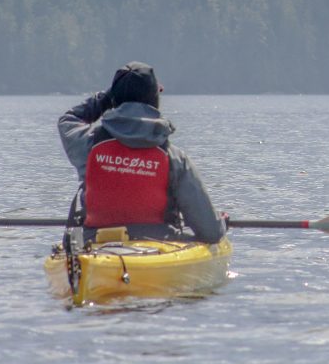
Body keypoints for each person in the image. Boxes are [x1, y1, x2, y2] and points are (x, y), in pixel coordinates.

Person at [58, 61, 226, 243]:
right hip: (158, 248)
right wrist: (221, 223)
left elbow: (68, 120)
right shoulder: (174, 158)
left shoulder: (88, 144)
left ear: (114, 100)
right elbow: (210, 232)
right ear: (155, 101)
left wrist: (104, 99)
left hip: (96, 247)